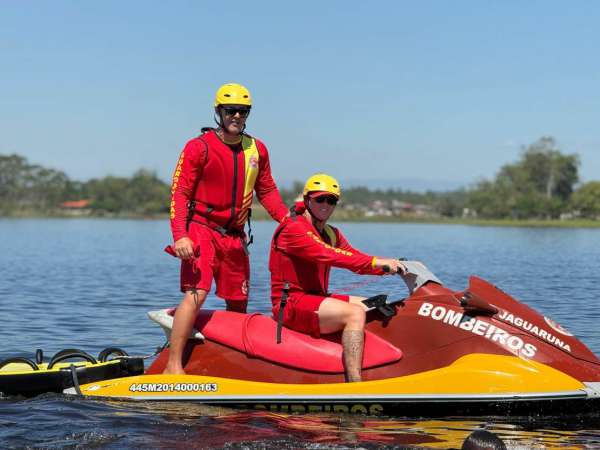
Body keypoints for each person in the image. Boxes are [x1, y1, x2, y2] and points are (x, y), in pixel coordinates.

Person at [165, 83, 289, 374]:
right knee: (198, 292)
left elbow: (267, 191)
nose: (236, 116)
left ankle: (233, 365)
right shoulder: (199, 147)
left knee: (239, 300)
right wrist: (180, 236)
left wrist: (288, 221)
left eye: (242, 111)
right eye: (230, 110)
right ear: (218, 112)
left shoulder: (257, 149)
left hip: (235, 236)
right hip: (201, 229)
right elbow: (179, 193)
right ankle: (173, 365)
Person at [269, 173, 405, 382]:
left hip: (315, 298)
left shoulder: (331, 233)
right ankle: (355, 384)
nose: (325, 205)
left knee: (379, 305)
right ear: (307, 200)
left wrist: (389, 265)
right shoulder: (293, 229)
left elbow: (355, 257)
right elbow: (329, 255)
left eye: (331, 201)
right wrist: (377, 262)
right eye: (320, 199)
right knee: (355, 314)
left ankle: (387, 368)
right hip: (290, 305)